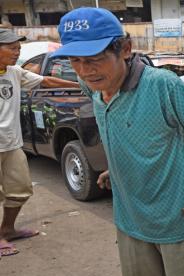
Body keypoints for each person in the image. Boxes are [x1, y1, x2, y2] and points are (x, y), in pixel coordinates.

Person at [52, 8, 184, 276]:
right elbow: (125, 128)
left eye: (95, 59)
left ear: (125, 49)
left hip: (174, 221)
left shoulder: (163, 85)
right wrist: (118, 166)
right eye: (75, 60)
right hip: (128, 221)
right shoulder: (91, 85)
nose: (84, 70)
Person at [0, 28, 79, 258]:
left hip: (12, 144)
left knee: (20, 190)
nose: (17, 52)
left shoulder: (14, 73)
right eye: (12, 48)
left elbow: (46, 81)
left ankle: (7, 229)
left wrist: (82, 87)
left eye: (18, 48)